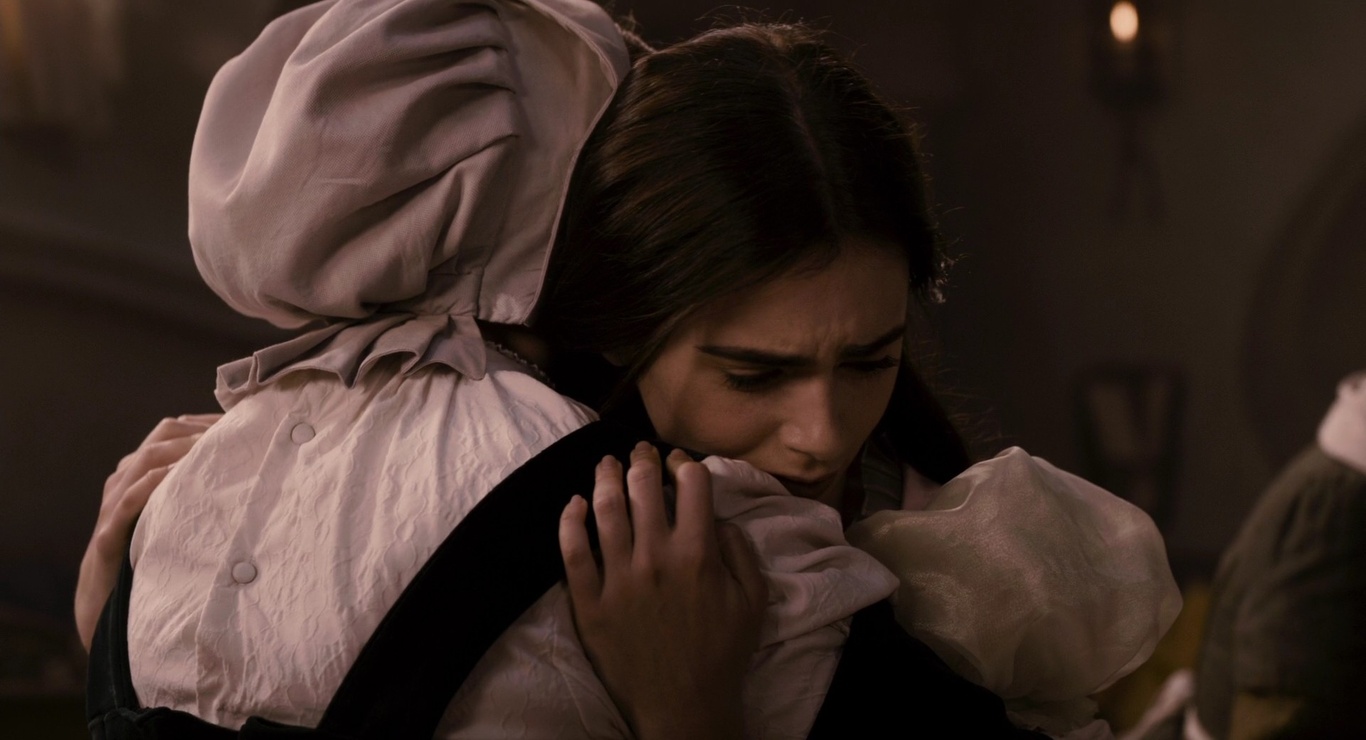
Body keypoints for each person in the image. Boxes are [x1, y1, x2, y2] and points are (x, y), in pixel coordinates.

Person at [79, 1, 1178, 737]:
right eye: (753, 373)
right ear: (618, 330)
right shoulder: (561, 490)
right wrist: (115, 635)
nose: (821, 431)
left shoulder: (948, 542)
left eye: (869, 359)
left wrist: (690, 712)